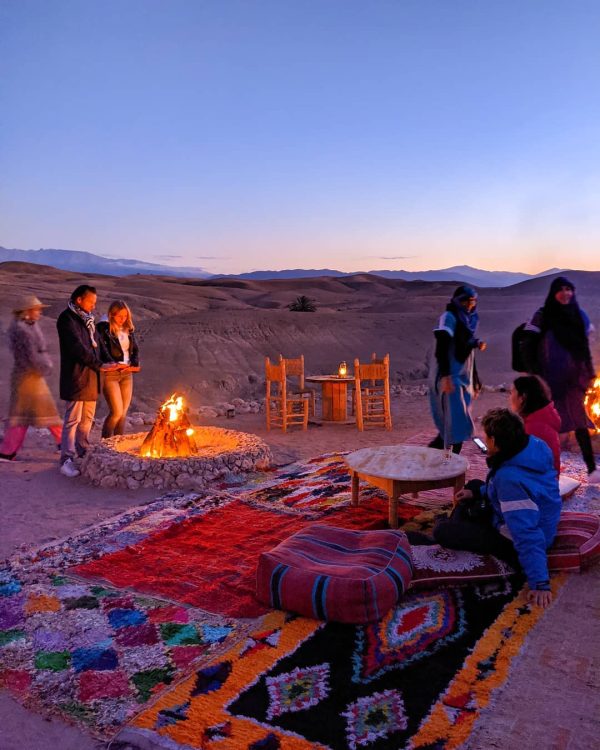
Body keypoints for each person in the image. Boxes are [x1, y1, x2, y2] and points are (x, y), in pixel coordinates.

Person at [433, 408, 561, 608]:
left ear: (494, 440)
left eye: (486, 437)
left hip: (514, 539)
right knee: (474, 486)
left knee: (442, 531)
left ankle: (456, 522)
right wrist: (479, 493)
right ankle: (464, 516)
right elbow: (522, 489)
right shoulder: (533, 446)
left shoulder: (508, 480)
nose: (484, 442)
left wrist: (540, 583)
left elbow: (526, 533)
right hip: (533, 515)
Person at [521, 276, 599, 483]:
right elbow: (527, 343)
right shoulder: (543, 315)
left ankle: (591, 469)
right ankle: (540, 467)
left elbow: (583, 348)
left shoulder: (577, 315)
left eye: (569, 289)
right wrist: (535, 374)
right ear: (553, 292)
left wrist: (589, 372)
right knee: (546, 423)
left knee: (579, 420)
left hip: (573, 379)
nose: (565, 293)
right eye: (561, 289)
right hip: (548, 379)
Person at [56, 285, 117, 478]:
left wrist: (110, 361)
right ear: (79, 300)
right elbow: (77, 348)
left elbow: (97, 345)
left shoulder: (88, 321)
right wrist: (99, 364)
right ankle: (66, 459)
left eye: (95, 302)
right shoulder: (67, 319)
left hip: (91, 377)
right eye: (91, 302)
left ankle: (83, 450)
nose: (93, 306)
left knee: (87, 418)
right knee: (72, 419)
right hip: (76, 376)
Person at [0, 295, 62, 461]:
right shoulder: (21, 330)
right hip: (28, 379)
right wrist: (44, 367)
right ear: (27, 311)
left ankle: (8, 451)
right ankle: (8, 451)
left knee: (28, 415)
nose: (39, 313)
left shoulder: (28, 327)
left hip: (31, 377)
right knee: (23, 416)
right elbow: (29, 356)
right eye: (37, 310)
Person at [428, 285, 487, 454]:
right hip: (450, 375)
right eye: (466, 301)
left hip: (464, 375)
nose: (469, 305)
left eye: (472, 302)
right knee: (455, 422)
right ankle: (441, 458)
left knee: (457, 422)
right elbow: (442, 346)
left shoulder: (470, 320)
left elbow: (468, 351)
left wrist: (475, 380)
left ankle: (446, 460)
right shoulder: (449, 317)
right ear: (458, 301)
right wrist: (445, 376)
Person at [96, 300, 140, 438]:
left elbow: (135, 349)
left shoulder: (128, 328)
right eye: (119, 316)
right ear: (111, 315)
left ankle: (118, 443)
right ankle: (106, 444)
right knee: (116, 412)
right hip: (111, 373)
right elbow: (102, 350)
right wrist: (114, 363)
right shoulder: (103, 328)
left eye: (125, 316)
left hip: (127, 373)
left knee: (123, 413)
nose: (123, 319)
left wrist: (134, 363)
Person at [510, 374, 561, 474]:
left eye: (511, 393)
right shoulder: (540, 418)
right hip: (545, 481)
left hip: (539, 485)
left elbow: (523, 466)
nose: (510, 397)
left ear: (522, 397)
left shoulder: (534, 428)